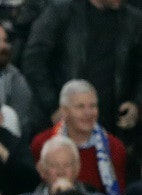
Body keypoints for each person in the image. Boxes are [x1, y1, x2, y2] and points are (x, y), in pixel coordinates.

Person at [22, 0, 142, 134]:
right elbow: (34, 61)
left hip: (113, 125)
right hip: (62, 122)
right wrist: (54, 106)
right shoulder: (61, 12)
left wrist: (137, 104)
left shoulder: (134, 20)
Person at [30, 80, 127, 195]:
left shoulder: (114, 147)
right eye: (80, 107)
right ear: (64, 111)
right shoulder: (42, 143)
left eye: (93, 106)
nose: (88, 113)